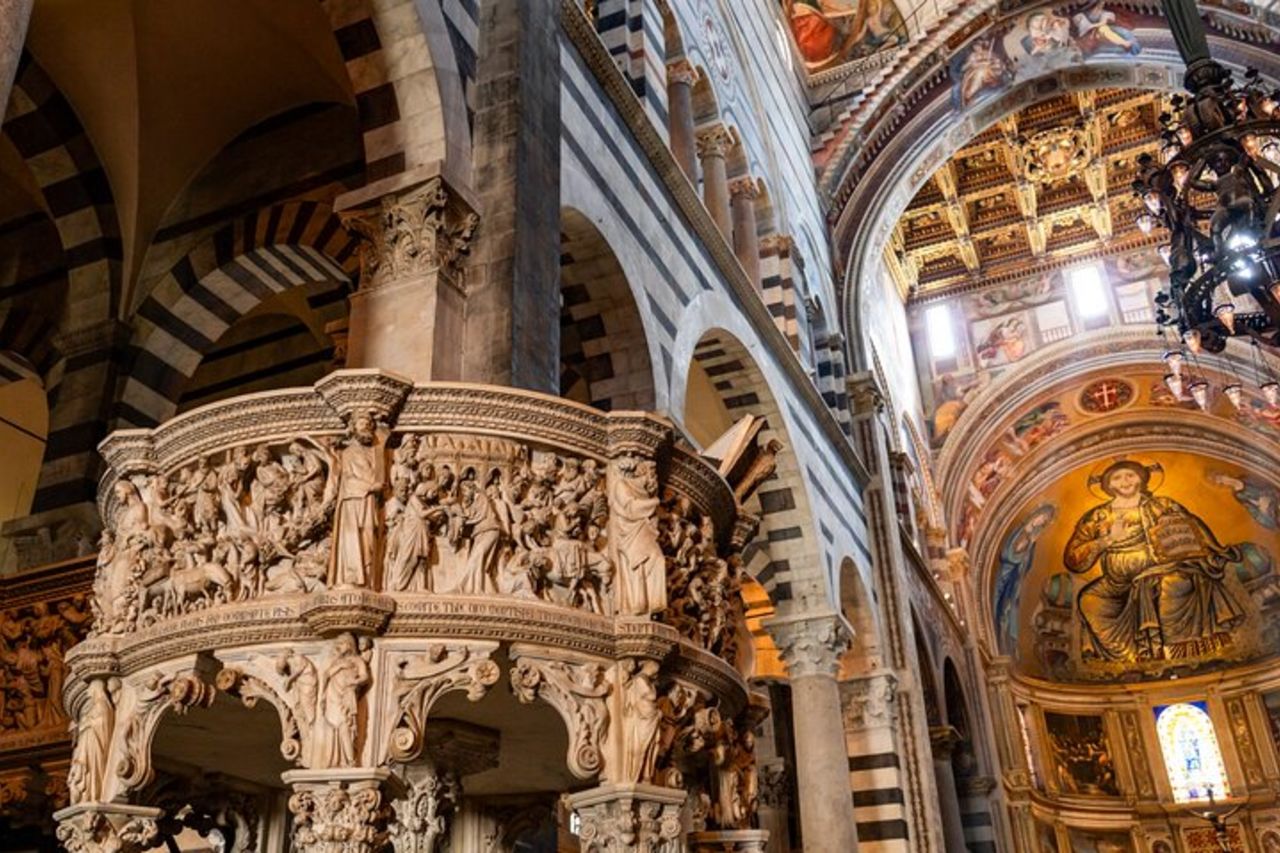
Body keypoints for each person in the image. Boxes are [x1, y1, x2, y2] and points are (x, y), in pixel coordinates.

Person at [1064, 460, 1245, 662]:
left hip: (1166, 569)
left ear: (1142, 478)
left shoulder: (1163, 505)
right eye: (1117, 477)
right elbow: (1074, 560)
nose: (1124, 481)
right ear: (1109, 485)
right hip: (1118, 584)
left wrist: (1210, 551)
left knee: (1173, 584)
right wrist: (1108, 539)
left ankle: (1180, 655)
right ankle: (1133, 658)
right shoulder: (1096, 517)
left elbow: (1192, 531)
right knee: (1089, 600)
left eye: (1130, 475)